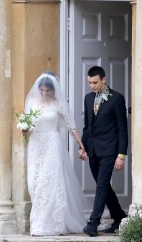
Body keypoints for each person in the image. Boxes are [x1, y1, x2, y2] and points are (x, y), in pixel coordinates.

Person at [22, 71, 90, 236]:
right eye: (42, 90)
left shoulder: (58, 104)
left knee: (50, 183)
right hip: (36, 145)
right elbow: (29, 126)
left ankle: (45, 225)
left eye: (48, 90)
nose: (45, 93)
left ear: (53, 90)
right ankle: (39, 221)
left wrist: (81, 146)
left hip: (52, 145)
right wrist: (25, 130)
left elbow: (71, 127)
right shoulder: (31, 101)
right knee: (34, 183)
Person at [82, 66, 128, 236]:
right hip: (93, 150)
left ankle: (93, 224)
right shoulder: (88, 99)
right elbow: (88, 127)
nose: (92, 86)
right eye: (89, 83)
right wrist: (83, 147)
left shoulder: (117, 99)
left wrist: (121, 155)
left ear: (103, 79)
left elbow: (123, 129)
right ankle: (120, 217)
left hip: (110, 150)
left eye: (95, 82)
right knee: (104, 187)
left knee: (101, 186)